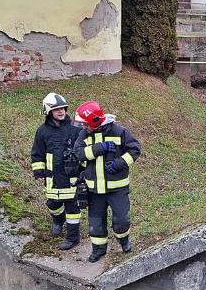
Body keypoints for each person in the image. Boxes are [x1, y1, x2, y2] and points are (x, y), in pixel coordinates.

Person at [72, 101, 141, 262]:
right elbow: (79, 154)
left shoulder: (119, 131)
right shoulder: (85, 135)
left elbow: (135, 150)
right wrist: (99, 148)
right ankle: (98, 250)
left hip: (117, 188)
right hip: (94, 190)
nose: (84, 127)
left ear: (94, 121)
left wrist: (119, 163)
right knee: (95, 223)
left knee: (121, 220)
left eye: (86, 124)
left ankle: (124, 241)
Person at [31, 93, 84, 249]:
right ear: (49, 112)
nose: (61, 112)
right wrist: (39, 171)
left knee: (72, 208)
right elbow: (37, 153)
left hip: (71, 176)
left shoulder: (76, 128)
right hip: (52, 176)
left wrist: (83, 171)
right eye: (57, 110)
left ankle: (73, 238)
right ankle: (58, 220)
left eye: (63, 109)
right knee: (53, 203)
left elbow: (83, 150)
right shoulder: (42, 131)